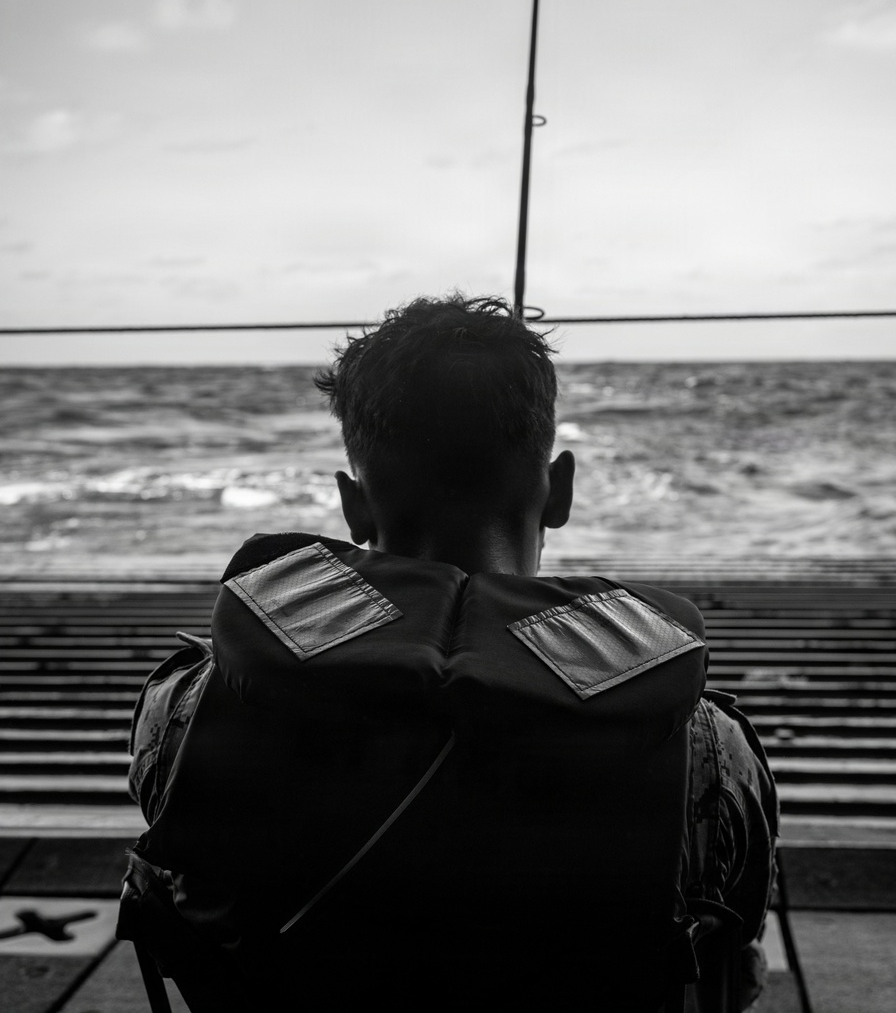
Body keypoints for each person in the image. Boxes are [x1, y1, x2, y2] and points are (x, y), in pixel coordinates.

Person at [123, 294, 778, 1012]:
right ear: (558, 489)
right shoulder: (707, 747)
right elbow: (728, 962)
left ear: (353, 504)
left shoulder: (186, 712)